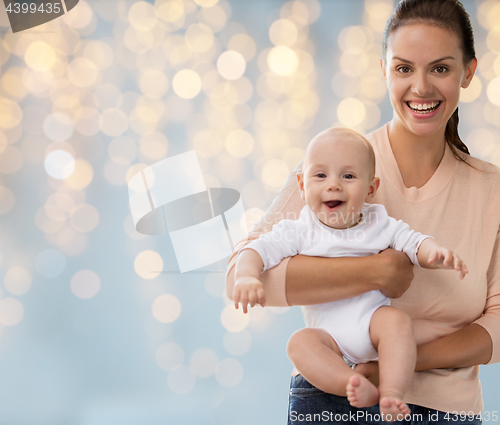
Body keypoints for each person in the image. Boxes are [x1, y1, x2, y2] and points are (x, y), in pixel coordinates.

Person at [226, 0, 500, 423]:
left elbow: (497, 327)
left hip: (447, 410)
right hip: (332, 399)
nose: (421, 87)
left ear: (468, 71)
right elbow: (243, 274)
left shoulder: (491, 190)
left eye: (441, 69)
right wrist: (372, 273)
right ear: (384, 70)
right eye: (404, 68)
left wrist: (393, 367)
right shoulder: (334, 167)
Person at [233, 127, 468, 421]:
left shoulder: (377, 221)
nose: (333, 185)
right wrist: (246, 277)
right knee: (299, 343)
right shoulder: (299, 230)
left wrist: (434, 253)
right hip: (329, 339)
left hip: (372, 325)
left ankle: (392, 392)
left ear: (371, 188)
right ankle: (350, 383)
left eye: (348, 176)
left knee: (396, 323)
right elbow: (256, 250)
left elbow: (412, 241)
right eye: (320, 176)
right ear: (301, 185)